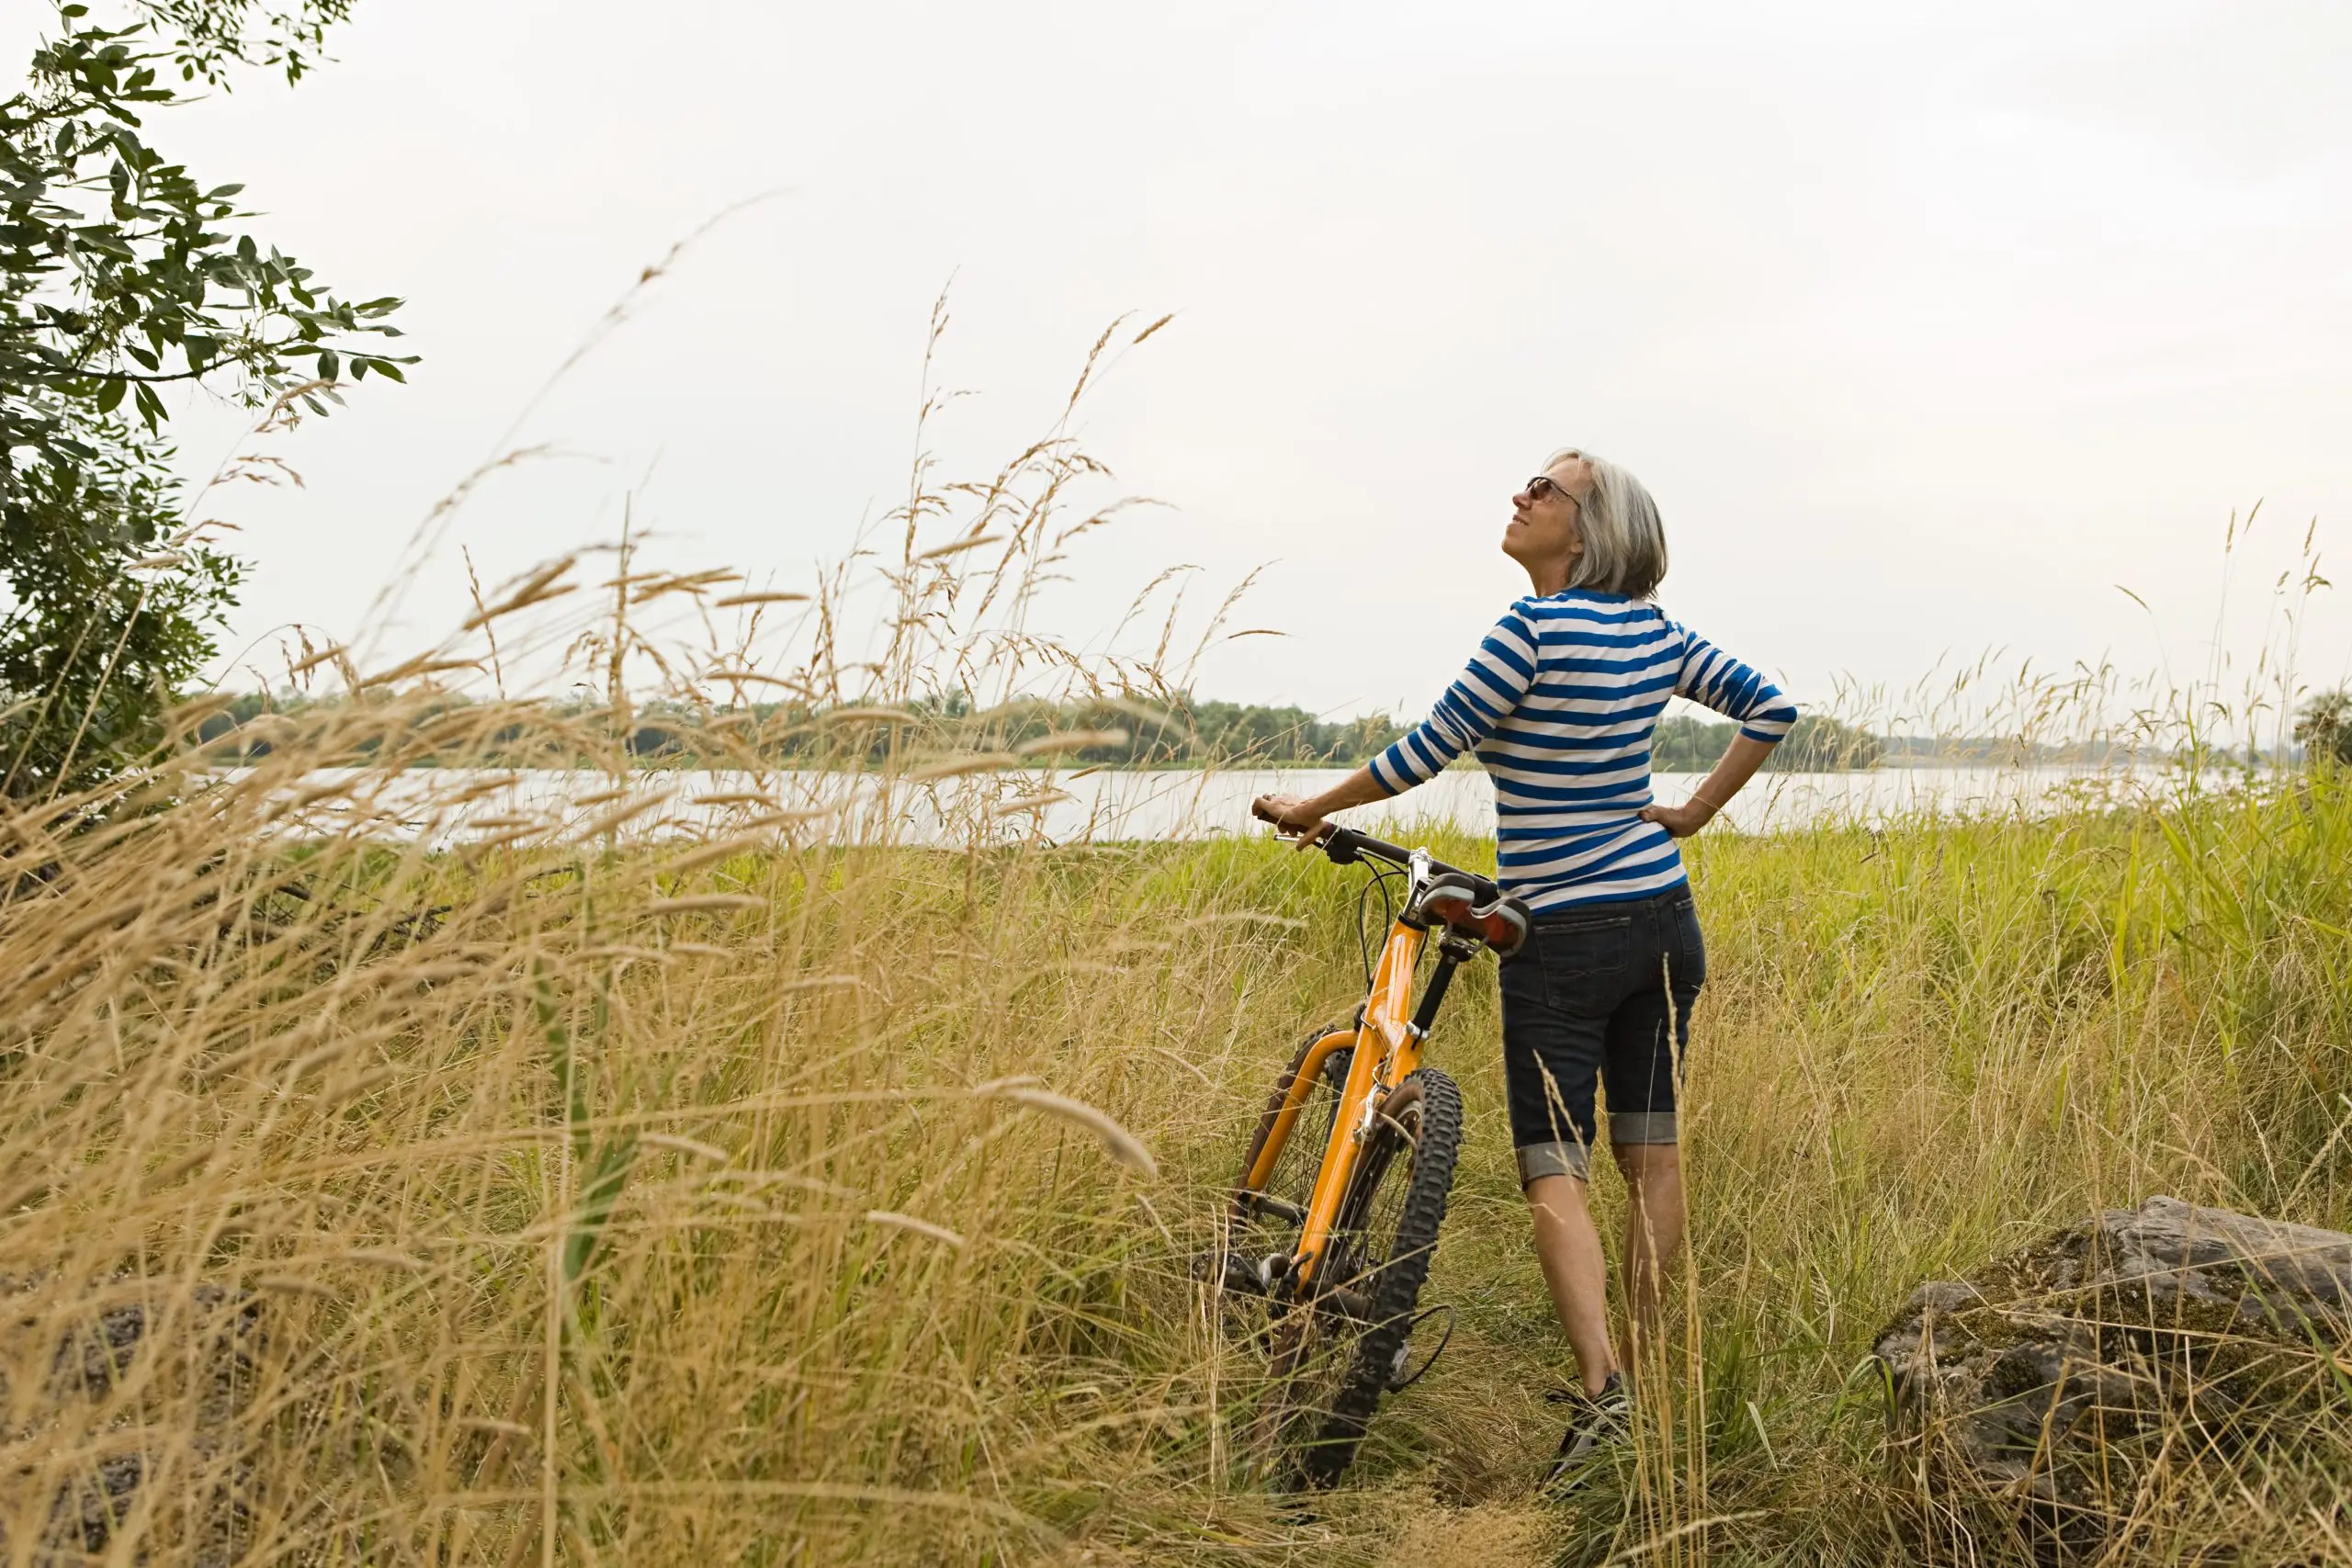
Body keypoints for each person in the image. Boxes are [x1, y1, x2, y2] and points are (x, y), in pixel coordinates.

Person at [1253, 448, 1794, 1484]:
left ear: (1587, 533)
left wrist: (1307, 807)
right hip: (1663, 919)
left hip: (1566, 935)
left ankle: (1602, 1394)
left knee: (1555, 1163)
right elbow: (1771, 708)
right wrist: (1690, 814)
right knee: (1654, 1156)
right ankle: (1637, 1371)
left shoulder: (1533, 629)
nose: (1520, 496)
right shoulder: (1653, 632)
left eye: (1544, 491)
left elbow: (1425, 751)